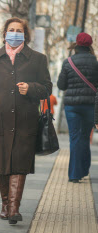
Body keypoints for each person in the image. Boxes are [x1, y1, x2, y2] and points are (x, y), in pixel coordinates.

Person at [0, 17, 52, 224]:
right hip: (0, 119)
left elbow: (47, 88)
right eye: (11, 30)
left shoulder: (37, 59)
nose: (15, 33)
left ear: (25, 34)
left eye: (19, 30)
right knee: (2, 163)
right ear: (4, 33)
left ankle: (14, 208)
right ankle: (6, 203)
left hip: (26, 119)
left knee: (19, 163)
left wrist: (31, 88)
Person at [57, 32, 98, 183]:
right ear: (90, 45)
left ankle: (74, 174)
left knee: (75, 138)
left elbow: (61, 85)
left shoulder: (68, 62)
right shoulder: (95, 62)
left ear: (77, 44)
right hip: (89, 106)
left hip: (72, 107)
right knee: (84, 137)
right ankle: (84, 168)